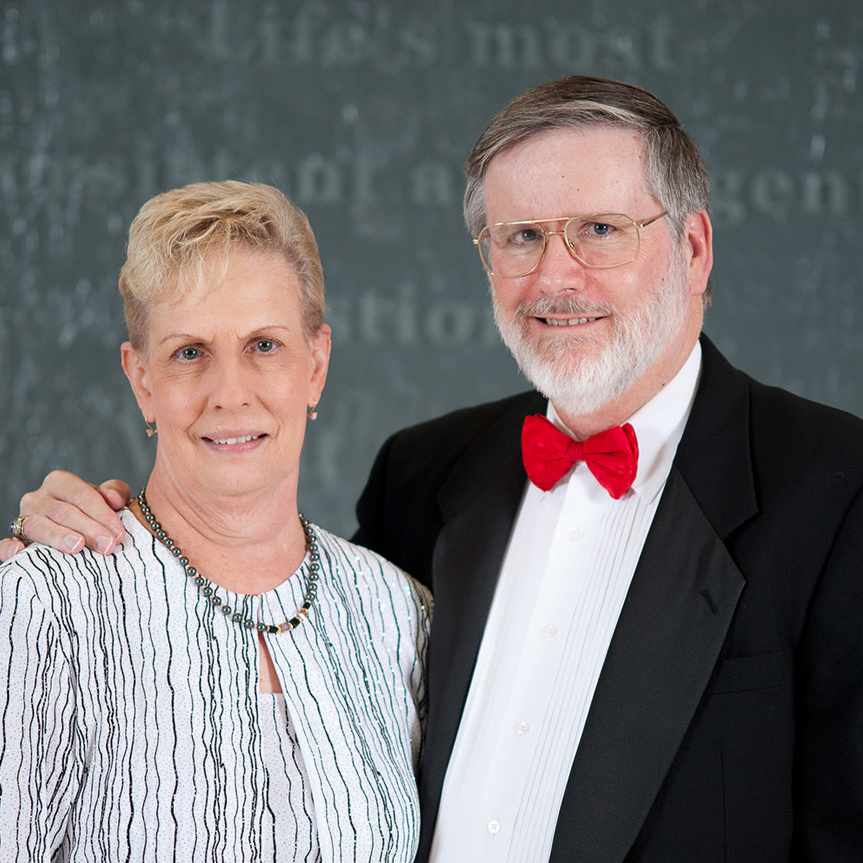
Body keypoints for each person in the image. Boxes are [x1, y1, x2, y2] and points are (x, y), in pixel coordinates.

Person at [4, 76, 863, 862]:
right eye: (519, 236)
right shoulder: (425, 478)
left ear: (695, 247)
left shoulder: (833, 490)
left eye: (599, 230)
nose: (554, 275)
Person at [0, 181, 431, 861]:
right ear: (141, 377)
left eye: (263, 345)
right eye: (189, 351)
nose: (230, 392)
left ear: (314, 365)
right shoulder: (45, 603)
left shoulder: (396, 613)